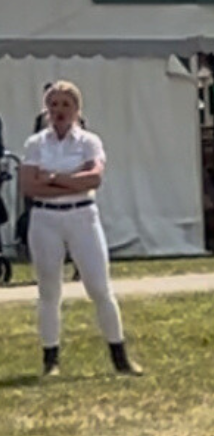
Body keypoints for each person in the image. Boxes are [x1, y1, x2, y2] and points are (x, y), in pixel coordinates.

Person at [21, 81, 138, 378]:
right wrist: (71, 180)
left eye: (66, 105)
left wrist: (54, 179)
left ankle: (119, 356)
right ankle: (51, 358)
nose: (59, 111)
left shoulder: (88, 141)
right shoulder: (36, 144)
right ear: (47, 109)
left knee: (99, 287)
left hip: (82, 215)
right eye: (55, 105)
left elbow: (94, 179)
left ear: (76, 110)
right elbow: (29, 186)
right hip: (46, 218)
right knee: (49, 290)